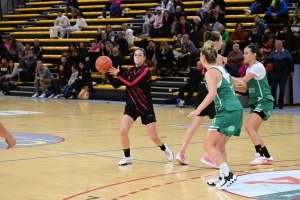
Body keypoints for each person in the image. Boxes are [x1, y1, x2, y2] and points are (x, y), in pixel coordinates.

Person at [187, 40, 243, 189]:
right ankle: (223, 176)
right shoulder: (221, 70)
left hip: (227, 110)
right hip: (237, 109)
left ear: (203, 58)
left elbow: (212, 94)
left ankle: (229, 174)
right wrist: (242, 84)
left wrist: (198, 109)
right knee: (219, 145)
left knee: (208, 144)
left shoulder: (211, 72)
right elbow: (241, 86)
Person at [107, 48, 174, 165]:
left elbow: (131, 83)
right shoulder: (129, 71)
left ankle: (164, 148)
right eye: (135, 55)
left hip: (145, 106)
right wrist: (107, 74)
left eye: (139, 55)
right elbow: (117, 85)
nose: (137, 57)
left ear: (144, 58)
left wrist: (118, 74)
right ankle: (127, 157)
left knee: (154, 137)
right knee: (123, 130)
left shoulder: (146, 71)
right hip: (131, 106)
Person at [175, 31, 225, 167]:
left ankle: (181, 152)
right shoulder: (218, 57)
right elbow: (221, 77)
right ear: (215, 42)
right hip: (212, 91)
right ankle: (212, 156)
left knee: (194, 125)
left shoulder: (204, 52)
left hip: (202, 88)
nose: (222, 43)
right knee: (221, 125)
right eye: (221, 40)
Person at [234, 44, 274, 165]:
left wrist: (225, 77)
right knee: (254, 130)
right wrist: (229, 86)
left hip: (264, 101)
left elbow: (243, 80)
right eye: (244, 53)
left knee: (249, 127)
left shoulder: (258, 66)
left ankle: (259, 154)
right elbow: (244, 88)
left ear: (254, 54)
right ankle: (267, 155)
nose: (244, 55)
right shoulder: (248, 69)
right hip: (256, 102)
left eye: (246, 53)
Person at [264, 40, 294, 109]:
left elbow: (291, 62)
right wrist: (266, 67)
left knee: (282, 89)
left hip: (284, 73)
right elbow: (267, 61)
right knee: (273, 89)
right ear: (275, 46)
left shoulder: (286, 52)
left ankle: (281, 104)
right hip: (274, 73)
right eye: (277, 45)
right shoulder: (273, 53)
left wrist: (291, 71)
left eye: (279, 45)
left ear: (282, 45)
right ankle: (273, 104)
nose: (278, 46)